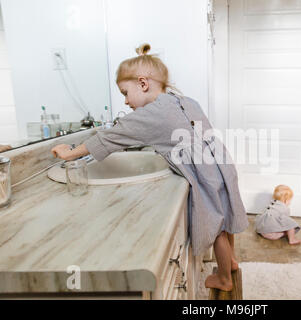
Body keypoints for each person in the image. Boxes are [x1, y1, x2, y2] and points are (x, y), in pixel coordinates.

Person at [51, 43, 248, 292]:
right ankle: (229, 262)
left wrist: (70, 153)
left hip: (204, 173)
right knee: (226, 214)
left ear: (143, 84)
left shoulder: (151, 113)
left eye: (125, 92)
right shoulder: (184, 100)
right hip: (220, 162)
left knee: (216, 227)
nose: (126, 101)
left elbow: (109, 137)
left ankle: (224, 279)